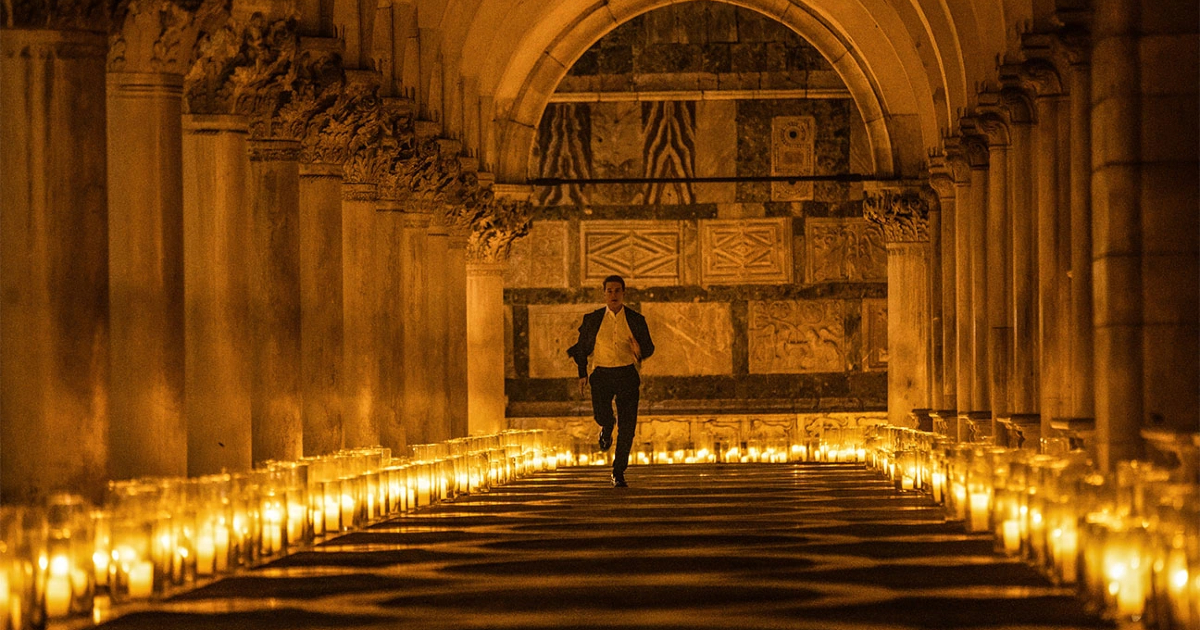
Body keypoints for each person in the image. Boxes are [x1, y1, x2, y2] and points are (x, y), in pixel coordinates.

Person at [566, 275, 654, 487]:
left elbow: (649, 347)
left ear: (623, 293)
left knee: (628, 426)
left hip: (626, 374)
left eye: (617, 290)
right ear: (604, 293)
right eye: (609, 291)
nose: (613, 294)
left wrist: (639, 350)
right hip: (602, 374)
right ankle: (606, 426)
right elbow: (581, 347)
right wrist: (582, 373)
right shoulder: (593, 319)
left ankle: (618, 471)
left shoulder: (635, 319)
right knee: (602, 414)